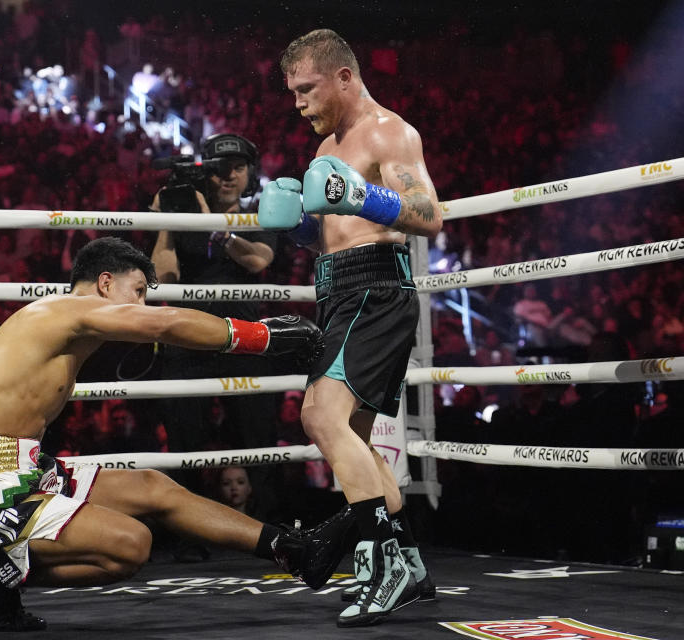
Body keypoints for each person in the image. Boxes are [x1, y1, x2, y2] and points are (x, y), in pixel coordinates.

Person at [0, 237, 344, 631]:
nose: (143, 304)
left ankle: (291, 549)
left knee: (151, 486)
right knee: (131, 545)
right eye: (139, 290)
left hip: (20, 469)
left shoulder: (66, 326)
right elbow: (165, 323)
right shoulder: (64, 310)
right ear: (105, 283)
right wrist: (263, 337)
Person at [260, 29, 442, 627]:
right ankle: (406, 562)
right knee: (354, 442)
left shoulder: (390, 131)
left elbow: (427, 215)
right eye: (292, 93)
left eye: (306, 89)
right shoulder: (325, 149)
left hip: (375, 291)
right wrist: (297, 228)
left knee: (320, 417)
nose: (299, 104)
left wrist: (363, 193)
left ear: (344, 77)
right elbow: (334, 228)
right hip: (339, 291)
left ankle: (388, 563)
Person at [151, 133, 280, 521]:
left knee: (260, 438)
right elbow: (165, 277)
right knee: (185, 443)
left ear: (250, 174)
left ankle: (274, 526)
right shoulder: (184, 214)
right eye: (219, 169)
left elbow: (258, 260)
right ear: (205, 173)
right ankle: (190, 529)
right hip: (189, 338)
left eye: (237, 168)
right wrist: (166, 223)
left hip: (245, 337)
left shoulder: (260, 214)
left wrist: (215, 229)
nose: (227, 177)